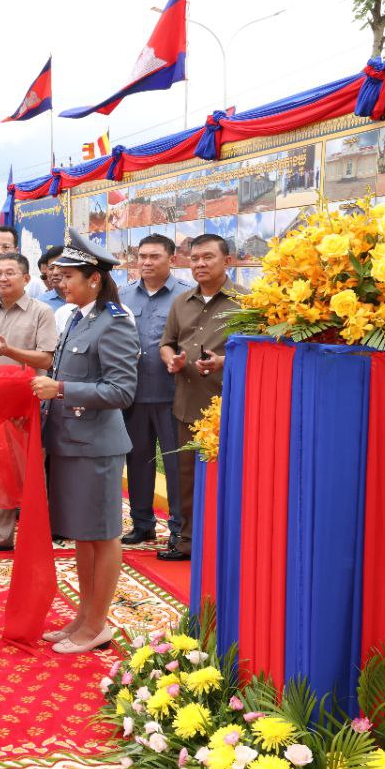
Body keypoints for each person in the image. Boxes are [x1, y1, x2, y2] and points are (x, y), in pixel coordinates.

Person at [30, 229, 139, 654]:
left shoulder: (112, 323)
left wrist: (61, 390)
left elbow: (121, 391)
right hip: (71, 442)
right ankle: (83, 617)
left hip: (96, 446)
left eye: (69, 276)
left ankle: (97, 624)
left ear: (94, 279)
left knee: (103, 535)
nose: (61, 283)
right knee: (83, 536)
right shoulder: (78, 318)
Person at [0, 253, 58, 553]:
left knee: (31, 471)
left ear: (26, 278)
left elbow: (46, 358)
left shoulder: (41, 312)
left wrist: (10, 350)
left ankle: (34, 534)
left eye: (10, 273)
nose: (2, 278)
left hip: (29, 402)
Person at [158, 234, 246, 562]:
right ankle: (187, 541)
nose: (200, 264)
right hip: (187, 403)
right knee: (185, 477)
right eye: (194, 258)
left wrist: (224, 362)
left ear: (228, 261)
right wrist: (171, 360)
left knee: (231, 477)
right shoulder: (181, 302)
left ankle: (230, 542)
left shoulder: (246, 302)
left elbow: (263, 353)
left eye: (208, 257)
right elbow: (166, 343)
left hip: (230, 407)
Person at [119, 235, 192, 546]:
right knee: (137, 460)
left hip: (172, 393)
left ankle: (179, 526)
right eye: (142, 256)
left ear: (171, 259)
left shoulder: (187, 297)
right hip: (133, 394)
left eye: (154, 257)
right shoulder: (122, 296)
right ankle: (142, 523)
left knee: (176, 464)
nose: (146, 262)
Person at [35, 246, 67, 312]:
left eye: (60, 267)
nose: (55, 273)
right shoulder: (38, 304)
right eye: (51, 268)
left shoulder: (88, 298)